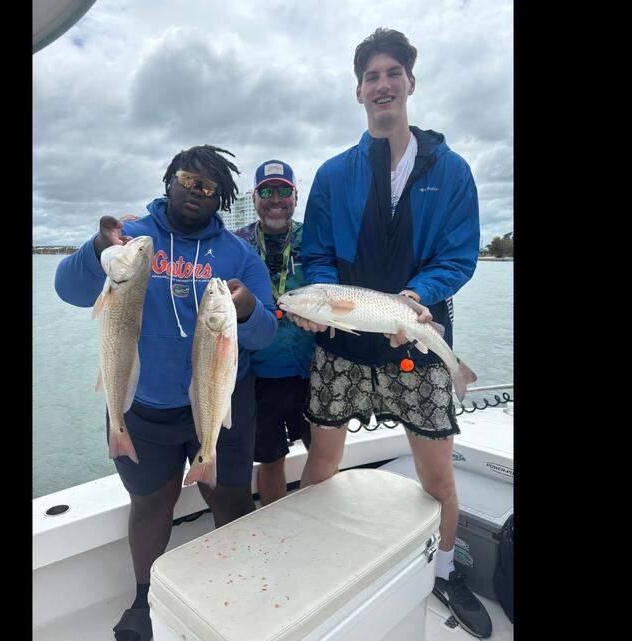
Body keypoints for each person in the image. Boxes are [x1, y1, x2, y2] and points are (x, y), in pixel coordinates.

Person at [291, 28, 493, 638]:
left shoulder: (452, 171)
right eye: (371, 77)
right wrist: (318, 303)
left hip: (418, 333)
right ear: (359, 92)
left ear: (410, 83)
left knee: (436, 475)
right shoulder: (332, 173)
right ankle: (316, 552)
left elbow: (459, 256)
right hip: (344, 342)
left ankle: (444, 572)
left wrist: (418, 297)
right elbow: (317, 254)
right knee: (322, 460)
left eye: (392, 74)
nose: (382, 85)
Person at [54, 145, 277, 641]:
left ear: (220, 197)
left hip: (220, 401)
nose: (195, 191)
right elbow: (68, 290)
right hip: (145, 408)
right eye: (186, 179)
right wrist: (96, 249)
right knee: (151, 505)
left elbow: (267, 333)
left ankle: (229, 589)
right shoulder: (132, 237)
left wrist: (245, 310)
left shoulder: (239, 254)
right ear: (168, 180)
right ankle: (143, 599)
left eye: (207, 187)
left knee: (231, 499)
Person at [231, 160, 315, 506]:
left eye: (284, 191)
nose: (275, 198)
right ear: (254, 198)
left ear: (295, 196)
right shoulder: (237, 244)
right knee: (270, 459)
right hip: (257, 374)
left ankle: (320, 529)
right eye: (266, 191)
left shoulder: (314, 240)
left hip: (310, 370)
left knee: (323, 453)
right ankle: (276, 531)